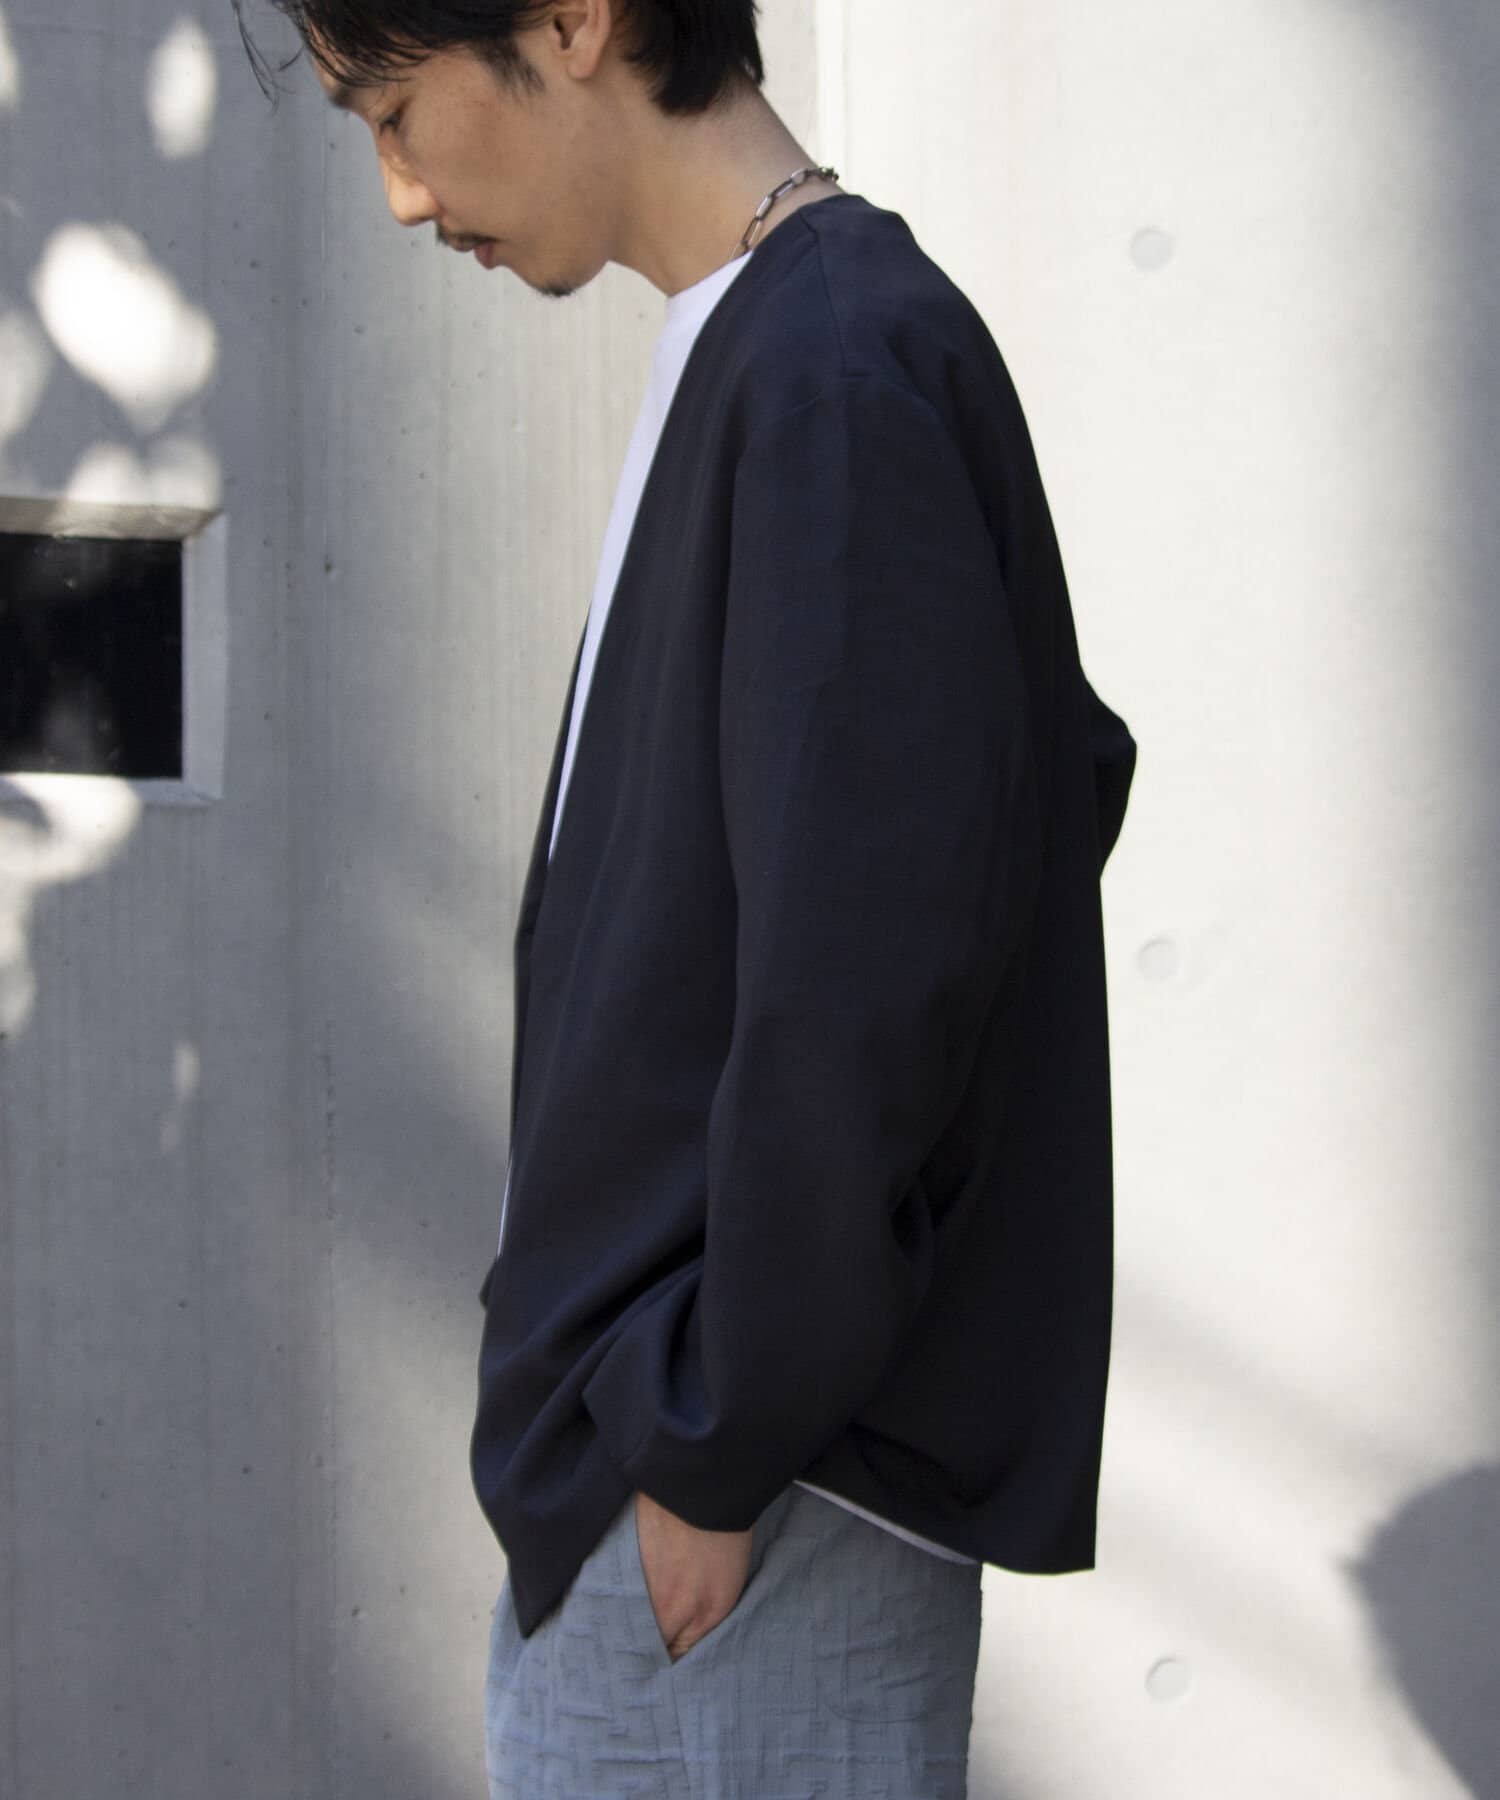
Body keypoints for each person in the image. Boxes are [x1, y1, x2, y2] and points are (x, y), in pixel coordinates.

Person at [237, 2, 1136, 1793]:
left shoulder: (837, 366)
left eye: (396, 111)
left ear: (574, 20)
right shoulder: (770, 341)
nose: (402, 194)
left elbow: (877, 972)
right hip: (692, 1474)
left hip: (751, 1506)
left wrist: (715, 1440)